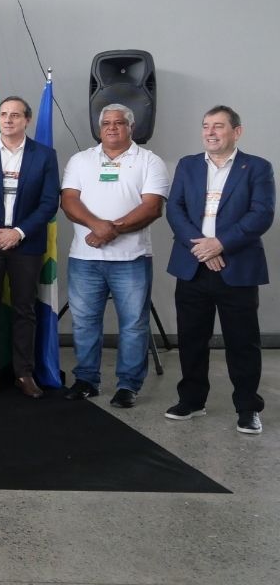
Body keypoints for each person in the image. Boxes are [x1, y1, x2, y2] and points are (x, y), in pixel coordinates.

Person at [165, 106, 274, 434]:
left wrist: (220, 244)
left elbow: (261, 214)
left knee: (243, 342)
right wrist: (202, 248)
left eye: (218, 126)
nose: (210, 132)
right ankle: (192, 400)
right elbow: (175, 209)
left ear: (236, 132)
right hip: (192, 266)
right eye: (206, 126)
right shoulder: (188, 165)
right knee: (191, 339)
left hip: (236, 266)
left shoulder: (257, 167)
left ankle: (248, 408)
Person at [60, 103, 170, 408]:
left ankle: (128, 386)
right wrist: (98, 226)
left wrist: (111, 230)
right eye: (106, 123)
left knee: (134, 325)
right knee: (84, 323)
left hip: (132, 260)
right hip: (85, 258)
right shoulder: (80, 160)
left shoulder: (149, 161)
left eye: (119, 122)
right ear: (99, 128)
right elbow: (68, 201)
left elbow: (152, 207)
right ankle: (86, 380)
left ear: (131, 128)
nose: (112, 127)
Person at [0, 95, 60, 398]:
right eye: (3, 114)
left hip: (26, 243)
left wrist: (18, 232)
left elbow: (49, 202)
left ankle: (24, 373)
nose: (8, 120)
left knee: (25, 309)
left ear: (27, 120)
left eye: (16, 115)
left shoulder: (44, 155)